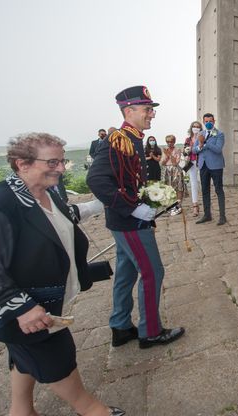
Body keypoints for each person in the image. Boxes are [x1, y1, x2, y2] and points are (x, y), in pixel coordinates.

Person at [0, 133, 124, 416]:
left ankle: (21, 411)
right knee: (58, 359)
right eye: (53, 162)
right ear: (22, 163)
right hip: (29, 312)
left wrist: (100, 204)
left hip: (43, 300)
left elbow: (63, 215)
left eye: (62, 161)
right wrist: (23, 309)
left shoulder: (44, 192)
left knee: (24, 358)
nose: (61, 168)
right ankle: (94, 411)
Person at [87, 85, 185, 349]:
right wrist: (133, 207)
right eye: (147, 109)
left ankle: (120, 327)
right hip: (130, 222)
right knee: (153, 272)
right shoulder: (119, 139)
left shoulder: (133, 138)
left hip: (125, 222)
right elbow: (96, 179)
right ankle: (150, 332)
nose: (152, 114)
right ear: (129, 110)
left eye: (151, 109)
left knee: (126, 274)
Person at [194, 113, 226, 225]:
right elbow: (194, 150)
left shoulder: (219, 134)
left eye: (210, 121)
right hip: (203, 166)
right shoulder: (200, 134)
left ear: (214, 121)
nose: (208, 123)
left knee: (219, 190)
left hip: (216, 166)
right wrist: (200, 145)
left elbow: (218, 149)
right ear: (203, 122)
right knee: (205, 191)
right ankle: (207, 215)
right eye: (206, 121)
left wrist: (205, 143)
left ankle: (222, 216)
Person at [160, 134, 186, 216]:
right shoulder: (165, 150)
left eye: (171, 142)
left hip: (176, 170)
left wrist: (170, 155)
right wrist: (166, 156)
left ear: (174, 142)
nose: (169, 143)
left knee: (178, 188)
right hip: (167, 170)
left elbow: (175, 163)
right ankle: (171, 206)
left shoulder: (177, 150)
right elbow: (162, 163)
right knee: (168, 188)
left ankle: (178, 206)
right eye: (167, 142)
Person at [184, 121, 202, 217]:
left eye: (198, 127)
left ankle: (206, 204)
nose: (196, 128)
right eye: (194, 126)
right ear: (191, 128)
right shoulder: (188, 139)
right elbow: (185, 151)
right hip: (191, 163)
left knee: (202, 183)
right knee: (193, 184)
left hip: (201, 162)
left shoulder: (202, 138)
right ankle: (195, 205)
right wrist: (186, 153)